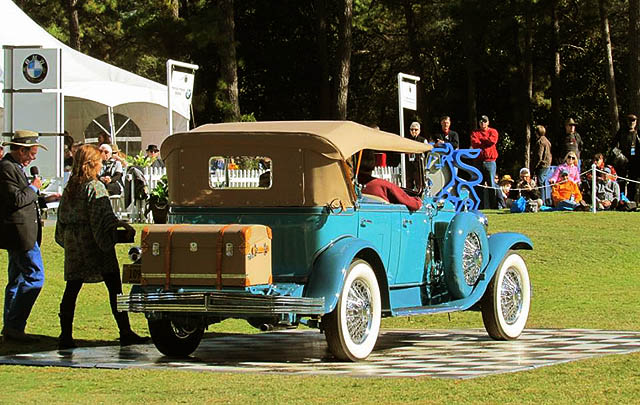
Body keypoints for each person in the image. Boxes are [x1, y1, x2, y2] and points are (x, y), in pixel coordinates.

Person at [55, 144, 148, 349]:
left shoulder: (71, 187)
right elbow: (102, 217)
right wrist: (119, 227)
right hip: (92, 242)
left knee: (72, 287)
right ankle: (125, 331)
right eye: (99, 162)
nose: (101, 165)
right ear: (92, 164)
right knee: (114, 286)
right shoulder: (94, 186)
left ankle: (65, 335)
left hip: (74, 242)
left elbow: (61, 217)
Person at [0, 130, 60, 342]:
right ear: (20, 150)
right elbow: (16, 200)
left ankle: (10, 327)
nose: (33, 158)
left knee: (16, 280)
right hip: (20, 234)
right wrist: (34, 188)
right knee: (35, 277)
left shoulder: (14, 167)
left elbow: (24, 201)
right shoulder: (6, 168)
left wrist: (45, 199)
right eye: (31, 153)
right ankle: (15, 325)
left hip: (23, 232)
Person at [358, 150, 422, 211]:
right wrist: (418, 200)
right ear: (372, 164)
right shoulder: (383, 186)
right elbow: (414, 204)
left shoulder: (353, 185)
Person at [471, 115, 499, 209]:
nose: (483, 123)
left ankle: (494, 206)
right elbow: (474, 143)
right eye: (481, 121)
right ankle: (480, 206)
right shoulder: (475, 132)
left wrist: (481, 141)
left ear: (488, 122)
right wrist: (486, 141)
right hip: (478, 161)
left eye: (485, 121)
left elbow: (492, 141)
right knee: (479, 184)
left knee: (491, 184)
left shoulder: (493, 131)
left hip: (490, 161)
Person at [613, 113, 640, 202]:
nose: (632, 123)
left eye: (633, 121)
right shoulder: (621, 132)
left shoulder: (638, 133)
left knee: (633, 181)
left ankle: (631, 201)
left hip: (634, 160)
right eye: (630, 121)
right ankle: (621, 200)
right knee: (621, 180)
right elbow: (613, 145)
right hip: (622, 160)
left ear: (636, 122)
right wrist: (618, 155)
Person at [405, 121, 428, 190]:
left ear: (419, 130)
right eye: (412, 129)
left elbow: (427, 153)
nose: (414, 131)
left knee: (420, 184)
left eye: (416, 129)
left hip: (419, 165)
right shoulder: (407, 140)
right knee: (409, 183)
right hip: (409, 164)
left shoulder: (423, 140)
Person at [533, 125, 552, 203]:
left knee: (541, 183)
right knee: (544, 183)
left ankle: (542, 201)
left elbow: (539, 156)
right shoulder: (547, 141)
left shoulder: (540, 142)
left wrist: (534, 166)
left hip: (542, 165)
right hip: (548, 164)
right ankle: (546, 200)